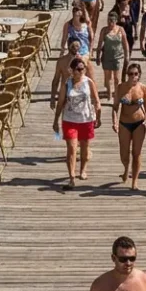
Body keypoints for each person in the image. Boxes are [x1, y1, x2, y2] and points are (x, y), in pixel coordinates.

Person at [53, 55, 101, 190]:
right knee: (72, 149)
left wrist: (98, 115)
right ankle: (71, 177)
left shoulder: (88, 82)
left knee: (85, 148)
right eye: (78, 69)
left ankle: (83, 170)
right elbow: (60, 102)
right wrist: (56, 120)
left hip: (86, 119)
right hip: (69, 120)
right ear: (72, 70)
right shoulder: (67, 84)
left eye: (83, 69)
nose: (81, 72)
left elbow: (96, 100)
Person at [113, 63, 146, 190]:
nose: (133, 76)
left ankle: (134, 181)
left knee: (136, 153)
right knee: (124, 154)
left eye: (136, 74)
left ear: (139, 74)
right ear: (127, 75)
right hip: (124, 123)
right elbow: (115, 107)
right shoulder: (120, 87)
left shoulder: (143, 88)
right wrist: (114, 121)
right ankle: (125, 169)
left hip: (139, 122)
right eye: (130, 74)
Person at [98, 11, 131, 101]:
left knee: (117, 78)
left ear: (116, 21)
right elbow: (100, 43)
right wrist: (98, 55)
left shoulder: (120, 30)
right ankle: (109, 93)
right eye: (108, 20)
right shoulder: (104, 30)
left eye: (112, 20)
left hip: (118, 56)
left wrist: (127, 55)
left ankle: (116, 94)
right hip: (107, 57)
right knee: (108, 77)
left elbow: (125, 43)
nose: (110, 22)